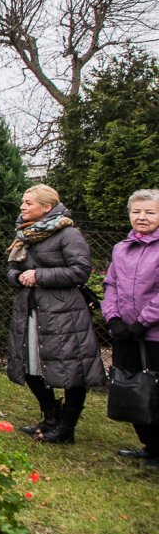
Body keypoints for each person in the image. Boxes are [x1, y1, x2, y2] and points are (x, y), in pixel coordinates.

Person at [6, 184, 104, 444]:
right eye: (23, 202)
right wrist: (18, 277)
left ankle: (66, 428)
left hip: (64, 312)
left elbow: (80, 271)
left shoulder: (67, 234)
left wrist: (39, 276)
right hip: (30, 309)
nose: (23, 207)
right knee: (29, 365)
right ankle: (51, 416)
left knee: (72, 370)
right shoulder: (25, 234)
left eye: (28, 203)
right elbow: (12, 270)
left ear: (46, 207)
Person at [102, 189, 159, 464]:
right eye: (136, 212)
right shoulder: (121, 248)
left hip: (153, 334)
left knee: (155, 389)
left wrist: (142, 322)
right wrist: (113, 318)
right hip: (125, 332)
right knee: (132, 386)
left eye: (149, 212)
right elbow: (111, 284)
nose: (142, 217)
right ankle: (150, 445)